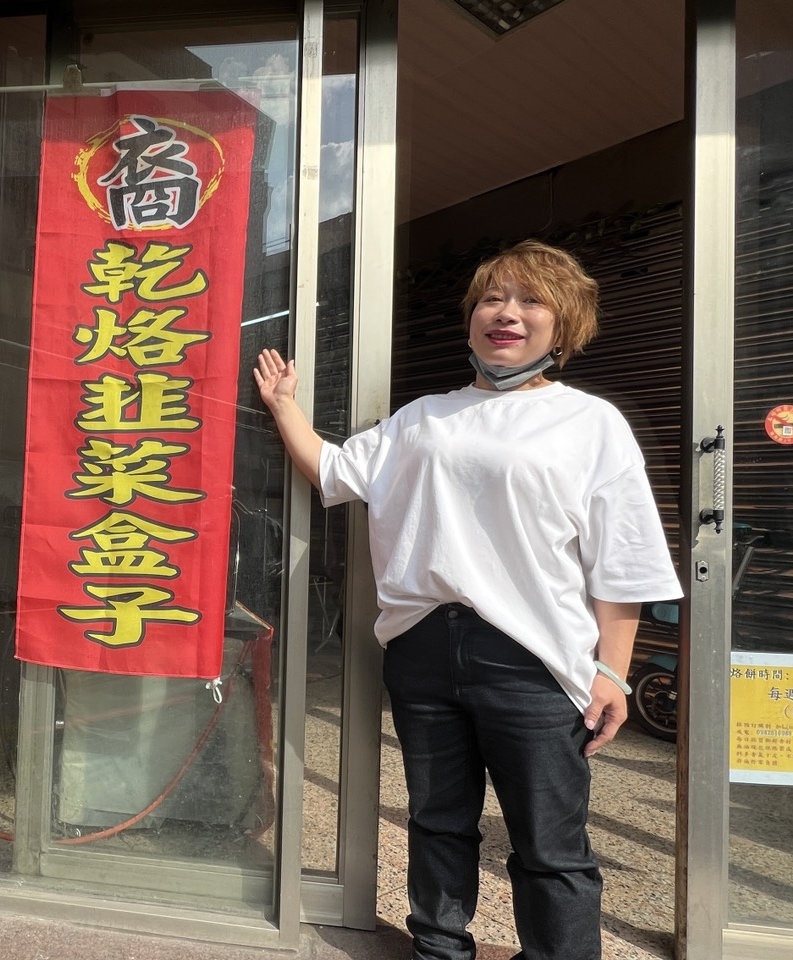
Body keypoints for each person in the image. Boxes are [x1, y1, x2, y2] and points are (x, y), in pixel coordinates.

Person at [252, 240, 681, 960]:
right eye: (491, 298)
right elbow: (334, 470)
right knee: (438, 821)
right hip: (423, 647)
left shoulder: (590, 422)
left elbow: (623, 557)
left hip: (533, 658)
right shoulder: (423, 417)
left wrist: (613, 670)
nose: (505, 313)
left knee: (549, 842)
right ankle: (440, 949)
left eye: (530, 300)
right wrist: (283, 404)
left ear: (565, 325)